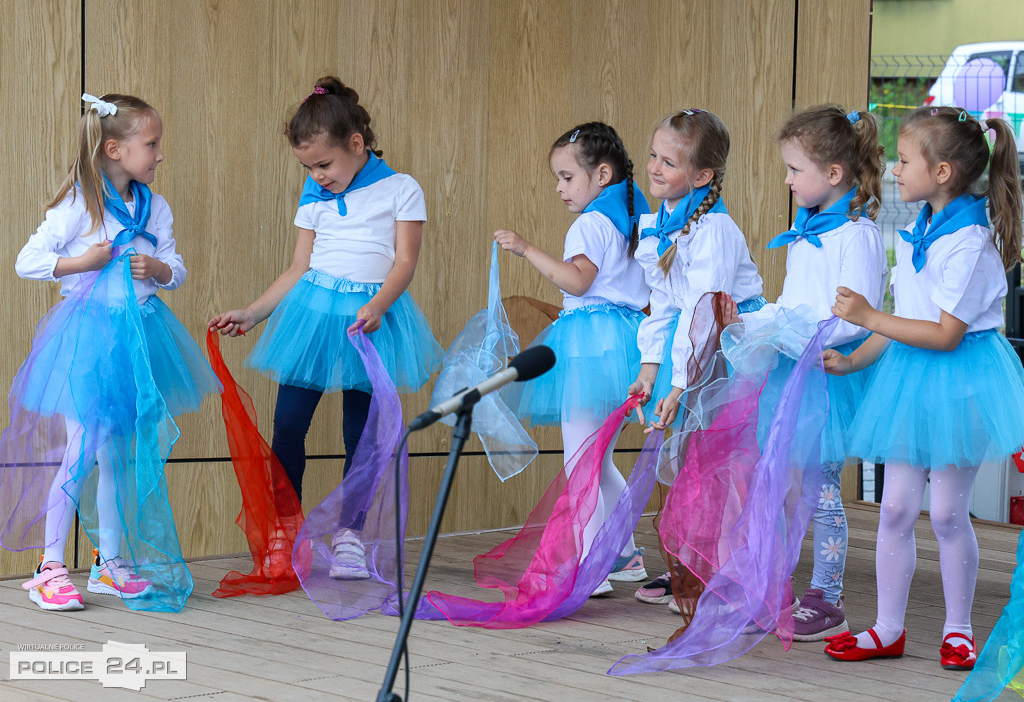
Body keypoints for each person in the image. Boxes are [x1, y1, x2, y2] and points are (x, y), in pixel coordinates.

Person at [210, 77, 441, 580]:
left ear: (356, 145)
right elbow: (298, 267)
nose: (316, 175)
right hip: (313, 317)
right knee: (288, 425)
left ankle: (350, 535)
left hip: (370, 318)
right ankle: (283, 530)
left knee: (360, 433)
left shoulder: (401, 189)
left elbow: (404, 261)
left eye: (324, 164)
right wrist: (254, 312)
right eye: (307, 167)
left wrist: (380, 304)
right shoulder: (314, 194)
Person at [822, 107, 1024, 669]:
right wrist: (858, 359)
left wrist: (866, 315)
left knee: (946, 515)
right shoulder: (922, 229)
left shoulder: (971, 243)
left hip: (958, 383)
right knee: (894, 511)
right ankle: (888, 627)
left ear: (941, 173)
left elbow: (942, 333)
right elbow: (906, 318)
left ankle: (958, 630)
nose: (893, 171)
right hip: (912, 381)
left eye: (904, 161)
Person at [7, 92, 217, 611]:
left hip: (140, 336)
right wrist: (82, 261)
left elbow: (175, 265)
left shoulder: (155, 205)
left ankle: (109, 562)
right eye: (152, 144)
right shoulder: (80, 202)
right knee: (82, 443)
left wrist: (162, 272)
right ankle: (50, 564)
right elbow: (27, 260)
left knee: (116, 454)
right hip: (89, 339)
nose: (159, 154)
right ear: (115, 149)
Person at [732, 104, 887, 640]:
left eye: (795, 170)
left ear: (834, 174)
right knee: (779, 484)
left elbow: (852, 317)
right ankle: (774, 584)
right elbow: (792, 301)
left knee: (820, 489)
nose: (787, 179)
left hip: (825, 371)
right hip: (789, 370)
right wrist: (756, 323)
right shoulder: (804, 232)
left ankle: (828, 594)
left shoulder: (856, 236)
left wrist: (795, 335)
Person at [495, 121, 650, 597]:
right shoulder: (632, 212)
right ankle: (623, 553)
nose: (560, 188)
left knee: (582, 458)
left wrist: (525, 249)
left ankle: (589, 564)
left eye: (567, 177)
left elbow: (577, 281)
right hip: (625, 341)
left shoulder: (591, 222)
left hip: (590, 343)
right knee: (596, 456)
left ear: (601, 174)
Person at [628, 108, 764, 609]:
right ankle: (688, 566)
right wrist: (649, 368)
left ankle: (723, 574)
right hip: (687, 348)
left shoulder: (714, 231)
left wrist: (680, 384)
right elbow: (663, 304)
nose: (655, 168)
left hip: (726, 350)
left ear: (703, 176)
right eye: (653, 156)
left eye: (669, 162)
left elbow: (705, 312)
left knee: (721, 466)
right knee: (684, 461)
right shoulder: (661, 222)